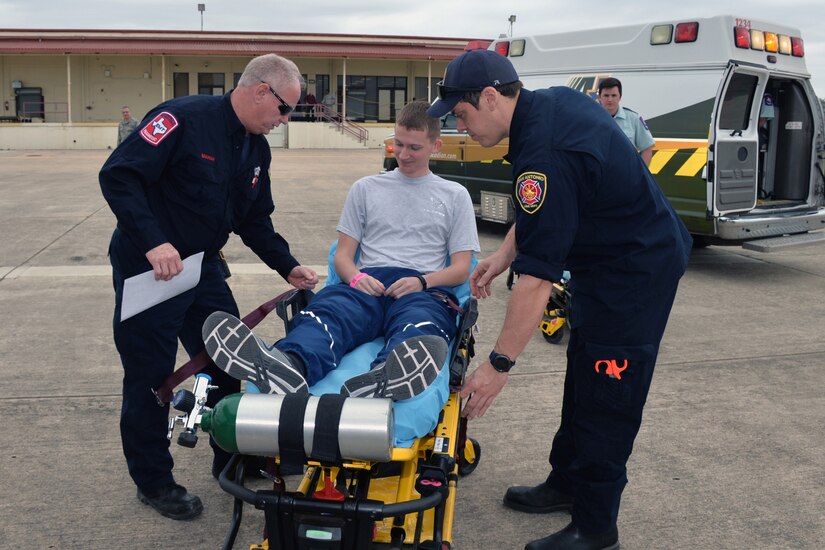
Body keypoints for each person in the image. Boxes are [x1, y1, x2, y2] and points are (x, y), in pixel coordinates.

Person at [427, 50, 692, 549]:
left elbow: (537, 282)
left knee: (608, 393)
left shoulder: (545, 152)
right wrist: (505, 252)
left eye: (461, 115)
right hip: (604, 260)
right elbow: (546, 212)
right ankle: (566, 482)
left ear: (489, 97)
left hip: (635, 271)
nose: (461, 128)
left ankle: (596, 528)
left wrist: (498, 364)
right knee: (583, 371)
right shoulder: (547, 104)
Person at [99, 53, 318, 521]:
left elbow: (255, 220)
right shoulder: (182, 118)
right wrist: (153, 241)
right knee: (151, 377)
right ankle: (154, 481)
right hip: (152, 270)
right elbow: (119, 176)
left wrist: (288, 267)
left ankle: (232, 458)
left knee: (227, 362)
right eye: (284, 108)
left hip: (202, 270)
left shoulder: (255, 148)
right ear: (262, 90)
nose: (285, 119)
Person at [202, 100, 480, 402]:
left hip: (422, 288)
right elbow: (343, 257)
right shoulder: (366, 188)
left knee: (419, 326)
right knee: (328, 316)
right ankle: (290, 365)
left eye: (414, 148)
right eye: (398, 144)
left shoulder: (455, 196)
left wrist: (422, 282)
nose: (403, 154)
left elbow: (462, 267)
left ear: (435, 146)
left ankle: (388, 374)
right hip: (366, 283)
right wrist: (357, 279)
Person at [597, 77, 655, 166]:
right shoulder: (592, 119)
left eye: (614, 95)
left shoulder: (634, 119)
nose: (610, 99)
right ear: (599, 97)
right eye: (606, 95)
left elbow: (647, 148)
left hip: (626, 176)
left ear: (620, 97)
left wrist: (641, 175)